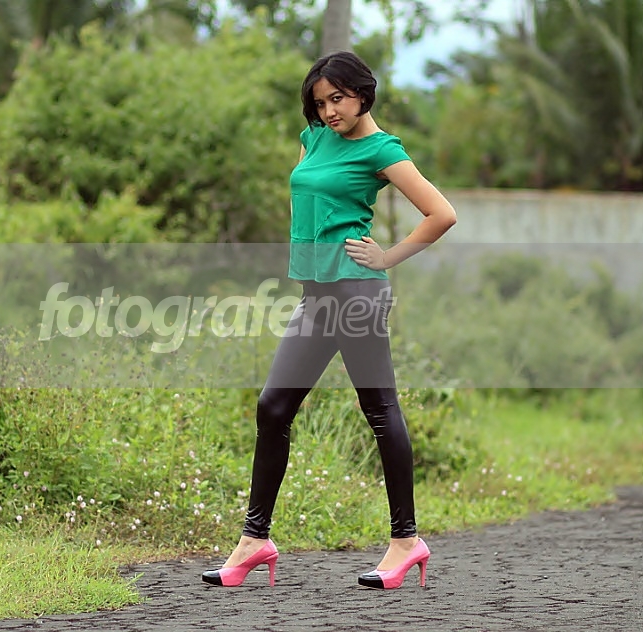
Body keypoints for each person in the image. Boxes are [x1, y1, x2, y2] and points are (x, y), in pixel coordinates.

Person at [201, 51, 457, 590]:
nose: (329, 110)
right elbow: (305, 201)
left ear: (363, 92)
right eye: (320, 102)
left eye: (337, 98)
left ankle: (406, 541)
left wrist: (387, 257)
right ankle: (254, 540)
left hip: (357, 292)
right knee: (273, 407)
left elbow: (441, 213)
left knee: (379, 409)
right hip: (317, 295)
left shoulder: (381, 149)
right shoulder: (313, 139)